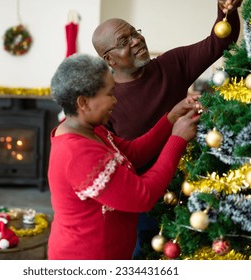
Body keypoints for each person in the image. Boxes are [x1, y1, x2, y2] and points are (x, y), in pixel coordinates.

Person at [92, 0, 243, 258]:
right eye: (124, 41)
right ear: (110, 58)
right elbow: (117, 160)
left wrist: (225, 9)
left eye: (135, 33)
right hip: (146, 200)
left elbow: (219, 42)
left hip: (192, 184)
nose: (136, 41)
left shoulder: (172, 63)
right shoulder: (106, 100)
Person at [47, 53, 201, 260]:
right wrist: (177, 140)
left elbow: (132, 154)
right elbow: (143, 196)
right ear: (83, 102)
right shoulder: (77, 154)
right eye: (110, 93)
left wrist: (171, 119)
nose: (115, 100)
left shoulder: (90, 129)